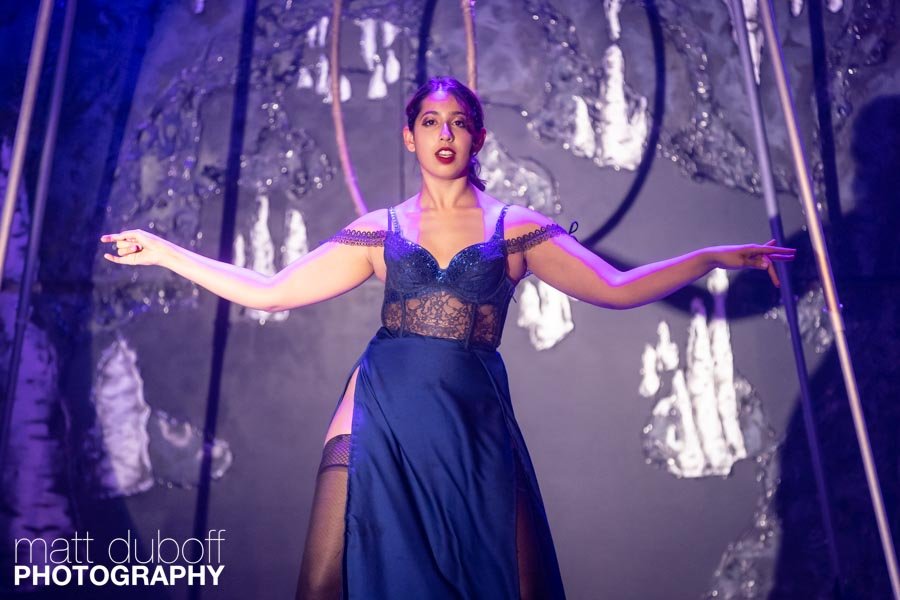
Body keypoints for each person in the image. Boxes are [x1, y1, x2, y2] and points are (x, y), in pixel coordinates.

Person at [100, 76, 795, 599]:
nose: (445, 133)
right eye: (430, 121)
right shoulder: (381, 230)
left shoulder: (514, 227)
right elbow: (272, 290)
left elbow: (613, 288)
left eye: (459, 123)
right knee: (323, 582)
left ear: (477, 138)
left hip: (469, 417)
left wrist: (709, 257)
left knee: (506, 580)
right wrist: (165, 252)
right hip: (380, 406)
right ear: (410, 137)